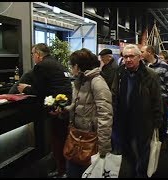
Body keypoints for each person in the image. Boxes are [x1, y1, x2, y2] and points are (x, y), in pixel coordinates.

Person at [17, 43, 72, 178]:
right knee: (62, 138)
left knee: (57, 140)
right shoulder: (56, 63)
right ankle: (63, 169)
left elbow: (39, 91)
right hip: (65, 105)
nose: (32, 57)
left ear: (38, 54)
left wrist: (25, 89)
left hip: (55, 108)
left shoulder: (41, 66)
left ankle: (62, 171)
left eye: (32, 54)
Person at [111, 44, 163, 177]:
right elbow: (114, 93)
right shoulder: (119, 72)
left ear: (139, 57)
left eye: (131, 56)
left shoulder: (150, 75)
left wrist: (157, 123)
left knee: (143, 155)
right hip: (123, 122)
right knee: (126, 154)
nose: (128, 60)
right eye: (125, 56)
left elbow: (157, 100)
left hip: (143, 123)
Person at [64, 48, 113, 178]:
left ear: (78, 66)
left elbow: (105, 115)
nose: (71, 68)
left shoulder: (97, 82)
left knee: (89, 173)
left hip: (90, 140)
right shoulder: (80, 81)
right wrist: (64, 109)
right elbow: (77, 105)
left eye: (71, 65)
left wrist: (103, 149)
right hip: (77, 137)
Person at [141, 45, 168, 148]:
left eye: (142, 51)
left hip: (162, 97)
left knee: (162, 120)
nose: (141, 53)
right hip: (146, 98)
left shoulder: (164, 66)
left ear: (150, 52)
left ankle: (162, 140)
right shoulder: (141, 65)